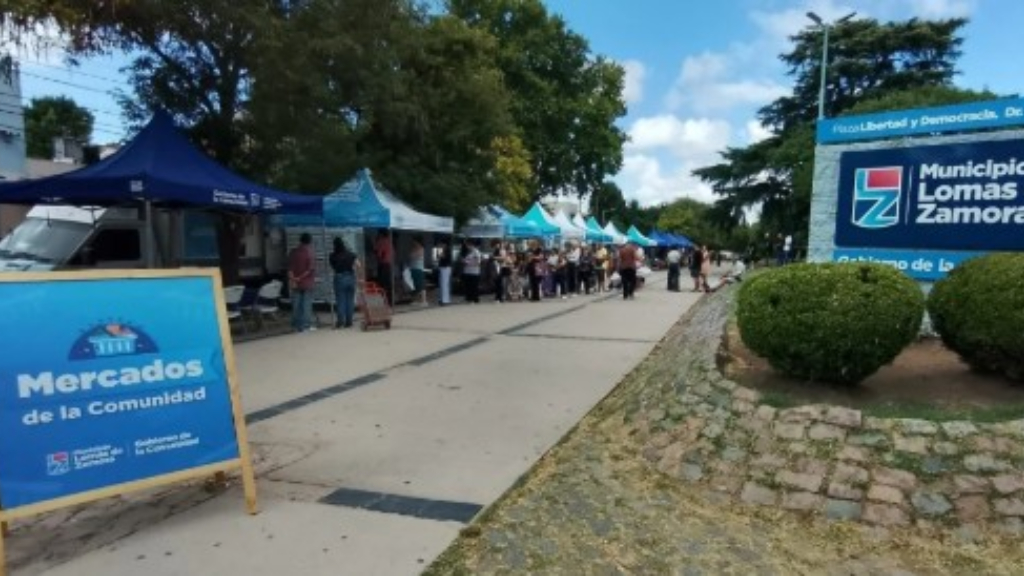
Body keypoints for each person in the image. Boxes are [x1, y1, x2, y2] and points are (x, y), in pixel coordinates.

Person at [329, 237, 361, 328]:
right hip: (351, 277)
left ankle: (340, 322)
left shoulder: (332, 256)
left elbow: (333, 267)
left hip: (339, 278)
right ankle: (349, 321)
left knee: (340, 300)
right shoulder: (351, 254)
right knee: (350, 300)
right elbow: (359, 265)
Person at [288, 232, 316, 332]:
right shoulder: (310, 253)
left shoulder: (293, 252)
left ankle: (296, 325)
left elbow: (290, 268)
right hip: (307, 282)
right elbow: (310, 269)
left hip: (295, 283)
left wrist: (293, 278)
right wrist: (300, 277)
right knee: (306, 305)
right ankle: (305, 326)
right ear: (310, 241)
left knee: (296, 305)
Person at [374, 229, 394, 305]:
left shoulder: (381, 241)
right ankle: (390, 301)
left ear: (381, 234)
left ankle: (383, 301)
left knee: (381, 284)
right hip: (389, 264)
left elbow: (379, 254)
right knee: (388, 284)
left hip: (383, 264)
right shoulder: (390, 241)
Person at [409, 237, 426, 306]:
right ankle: (416, 300)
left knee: (420, 285)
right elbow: (410, 255)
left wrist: (413, 253)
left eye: (414, 242)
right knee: (414, 285)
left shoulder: (421, 248)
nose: (413, 243)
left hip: (418, 269)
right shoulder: (414, 248)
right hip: (413, 268)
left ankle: (423, 301)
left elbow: (413, 256)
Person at [437, 239, 452, 306]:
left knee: (444, 284)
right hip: (443, 267)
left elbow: (442, 256)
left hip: (445, 268)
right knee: (442, 283)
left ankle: (445, 300)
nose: (440, 245)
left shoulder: (447, 250)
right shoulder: (444, 250)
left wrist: (439, 253)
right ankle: (442, 299)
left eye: (441, 244)